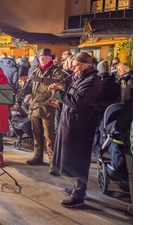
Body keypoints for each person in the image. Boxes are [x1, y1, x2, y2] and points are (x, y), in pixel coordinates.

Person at [48, 52, 103, 208]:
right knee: (73, 158)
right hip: (73, 122)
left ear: (85, 65)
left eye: (76, 66)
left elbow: (78, 102)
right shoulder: (82, 78)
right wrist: (60, 104)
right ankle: (78, 189)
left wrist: (58, 93)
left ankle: (78, 195)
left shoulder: (92, 80)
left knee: (80, 159)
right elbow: (73, 100)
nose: (73, 69)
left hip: (81, 126)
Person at [20, 48, 63, 175]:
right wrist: (24, 89)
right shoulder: (37, 70)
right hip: (35, 106)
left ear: (51, 58)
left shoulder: (56, 71)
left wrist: (40, 79)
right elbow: (33, 88)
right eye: (40, 57)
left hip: (47, 107)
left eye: (44, 56)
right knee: (36, 135)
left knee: (49, 137)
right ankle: (37, 156)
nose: (42, 59)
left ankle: (53, 163)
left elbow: (58, 84)